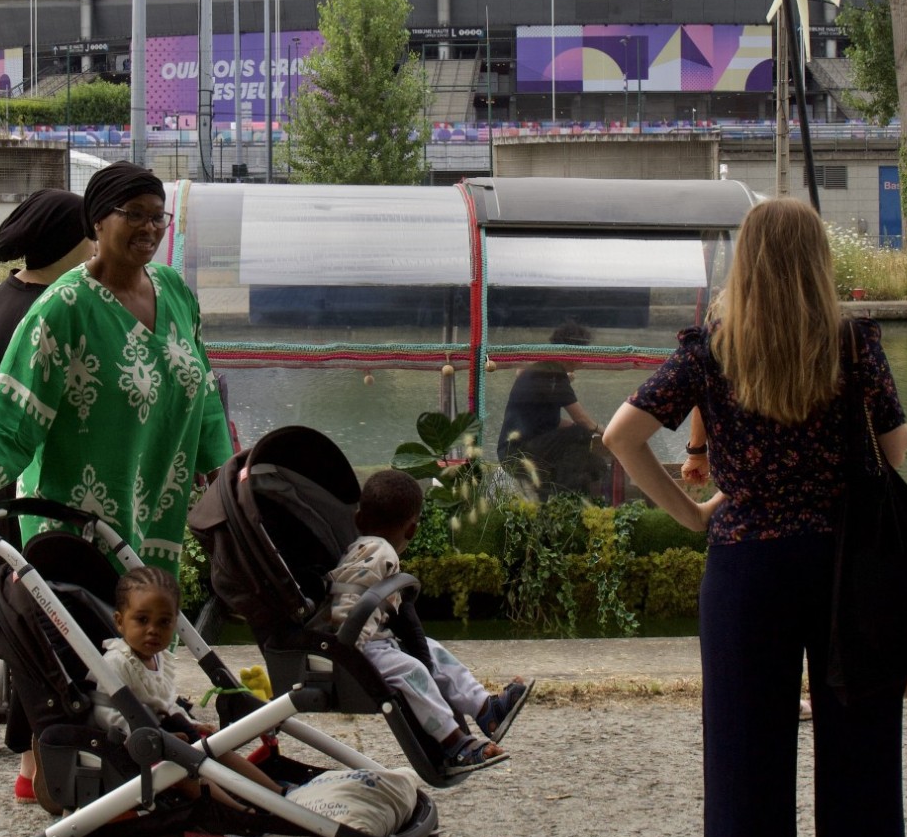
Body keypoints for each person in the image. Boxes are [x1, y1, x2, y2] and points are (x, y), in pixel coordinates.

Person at [602, 197, 907, 837]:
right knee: (864, 760)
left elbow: (622, 436)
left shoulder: (714, 348)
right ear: (818, 260)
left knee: (745, 760)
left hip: (747, 563)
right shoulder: (853, 342)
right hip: (845, 562)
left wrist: (693, 512)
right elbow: (894, 448)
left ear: (745, 260)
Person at [0, 163, 233, 798]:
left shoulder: (175, 292)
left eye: (158, 216)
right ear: (96, 222)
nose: (150, 228)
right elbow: (12, 405)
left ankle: (133, 765)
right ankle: (48, 773)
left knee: (142, 638)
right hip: (79, 514)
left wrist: (225, 469)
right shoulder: (63, 308)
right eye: (134, 214)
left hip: (156, 504)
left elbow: (204, 390)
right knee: (76, 647)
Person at [0, 186, 94, 803]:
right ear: (71, 243)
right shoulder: (50, 310)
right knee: (45, 632)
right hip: (25, 495)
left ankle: (34, 763)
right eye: (91, 233)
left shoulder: (4, 296)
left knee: (23, 630)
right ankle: (38, 767)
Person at [327, 469, 529, 776]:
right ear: (411, 530)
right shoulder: (380, 553)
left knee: (433, 652)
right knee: (414, 670)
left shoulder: (359, 547)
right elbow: (351, 605)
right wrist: (350, 651)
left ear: (358, 519)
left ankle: (487, 709)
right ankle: (454, 741)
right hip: (357, 647)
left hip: (369, 640)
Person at [102, 565, 285, 808]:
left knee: (214, 744)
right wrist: (155, 736)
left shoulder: (159, 659)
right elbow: (105, 712)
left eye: (164, 622)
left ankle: (278, 793)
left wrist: (191, 723)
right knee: (181, 769)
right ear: (120, 622)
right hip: (133, 744)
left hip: (163, 732)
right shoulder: (117, 662)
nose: (153, 630)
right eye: (142, 620)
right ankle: (239, 811)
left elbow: (166, 702)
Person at [497, 322, 605, 498]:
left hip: (512, 451)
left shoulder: (543, 370)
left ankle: (558, 492)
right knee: (581, 433)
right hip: (519, 454)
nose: (583, 360)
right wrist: (608, 433)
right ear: (571, 352)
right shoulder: (553, 374)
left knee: (594, 463)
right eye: (582, 353)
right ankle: (562, 494)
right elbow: (583, 421)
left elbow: (541, 419)